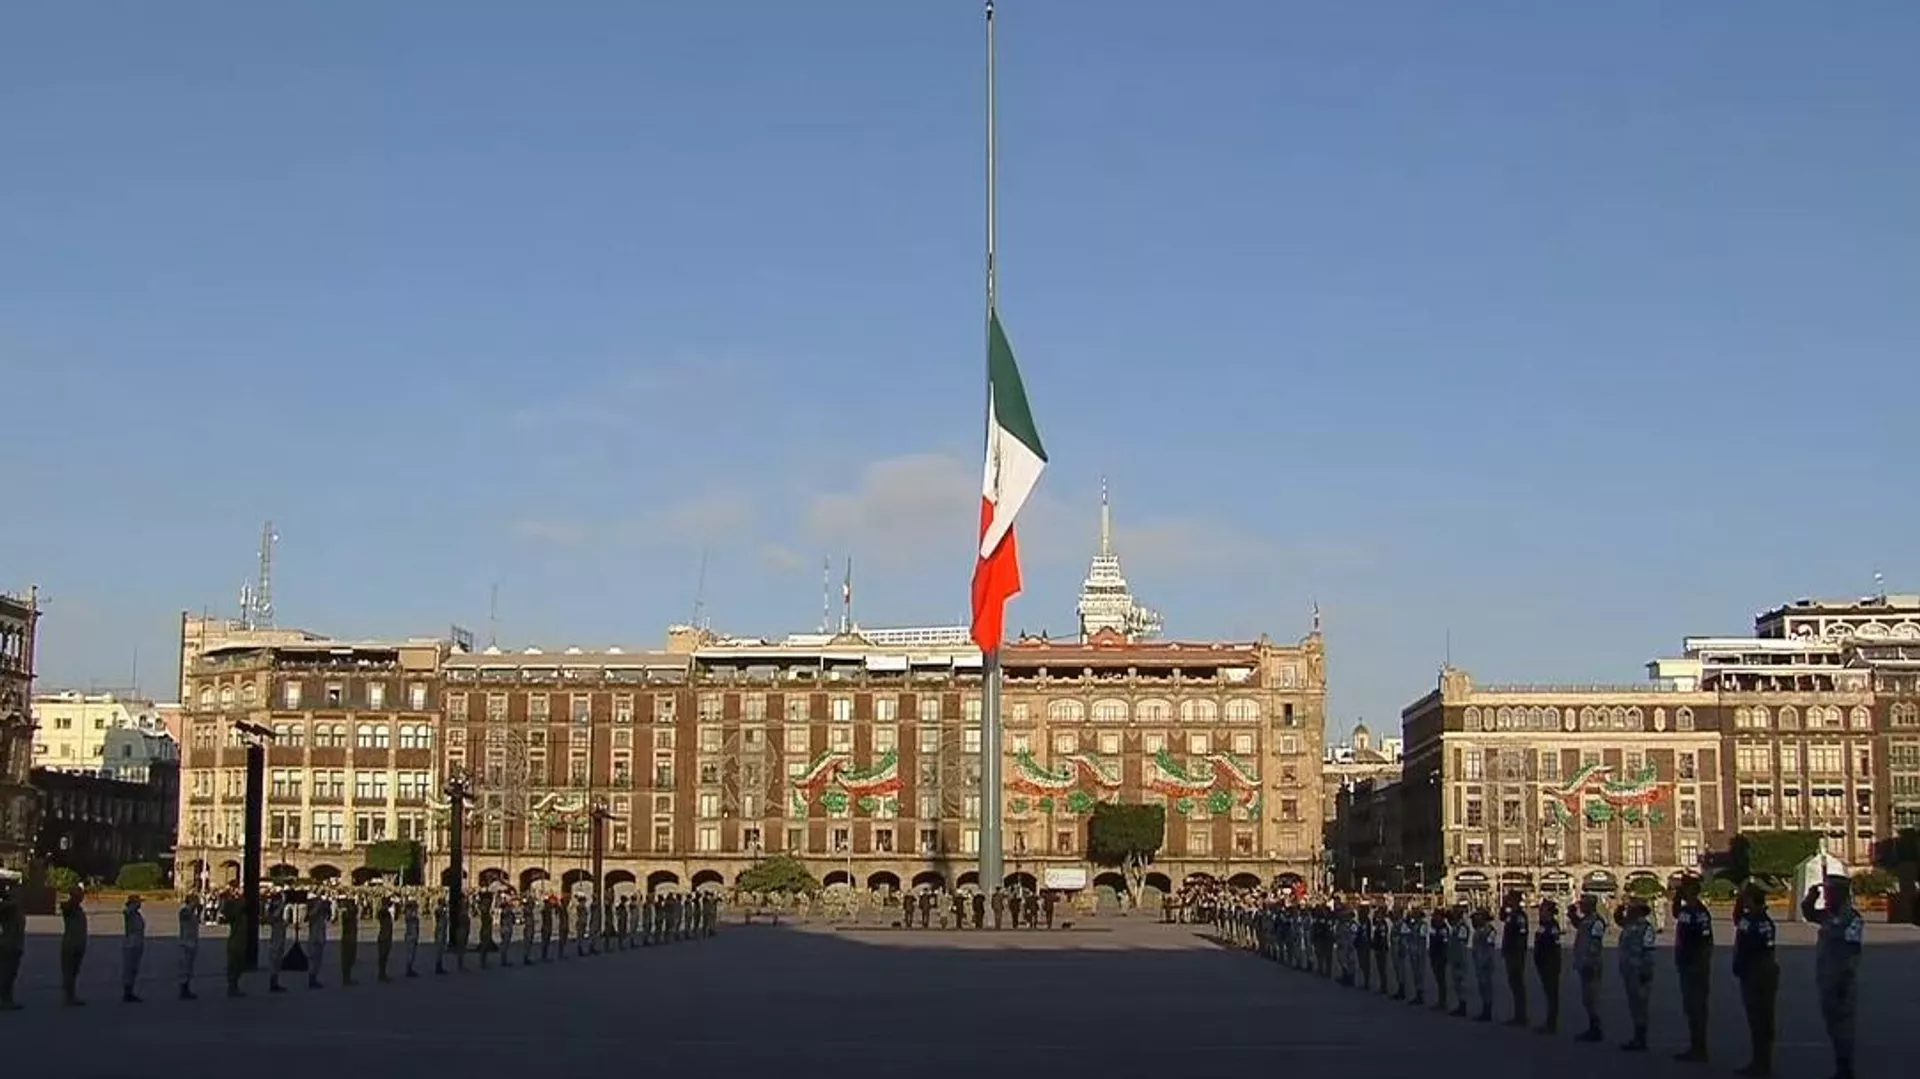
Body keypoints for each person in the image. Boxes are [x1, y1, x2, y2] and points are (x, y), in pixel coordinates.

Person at [1802, 874, 1863, 1079]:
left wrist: (1843, 980)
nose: (1827, 898)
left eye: (1830, 893)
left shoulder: (1852, 919)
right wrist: (1811, 897)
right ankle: (1841, 1063)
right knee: (1832, 1024)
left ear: (1840, 894)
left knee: (1843, 1025)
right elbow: (1809, 914)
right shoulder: (1827, 915)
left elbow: (1852, 951)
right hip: (1827, 978)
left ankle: (1846, 1067)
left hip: (1842, 981)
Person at [1733, 882, 1779, 1077]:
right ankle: (1759, 1061)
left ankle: (1762, 1064)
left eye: (1746, 899)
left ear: (1751, 900)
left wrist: (1742, 964)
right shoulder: (1752, 918)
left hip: (1759, 973)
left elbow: (1754, 947)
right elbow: (1737, 919)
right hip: (1754, 971)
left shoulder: (1759, 921)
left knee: (1761, 1020)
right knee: (1757, 1020)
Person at [1671, 875, 1714, 1062]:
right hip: (1688, 963)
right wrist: (1676, 897)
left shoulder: (1698, 911)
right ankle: (1696, 1045)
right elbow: (1676, 913)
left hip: (1695, 965)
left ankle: (1699, 1047)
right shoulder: (1688, 909)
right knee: (1691, 1007)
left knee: (1696, 1007)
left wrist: (1698, 963)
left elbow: (1704, 941)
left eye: (1684, 888)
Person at [1614, 896, 1657, 1051]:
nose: (1628, 911)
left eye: (1631, 909)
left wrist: (1646, 970)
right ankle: (1637, 1035)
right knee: (1634, 1004)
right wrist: (1619, 908)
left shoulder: (1646, 928)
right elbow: (1618, 920)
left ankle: (1641, 1037)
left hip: (1640, 971)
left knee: (1640, 1005)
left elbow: (1649, 951)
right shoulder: (1629, 924)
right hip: (1630, 969)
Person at [1572, 894, 1606, 1042]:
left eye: (1583, 904)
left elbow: (1595, 943)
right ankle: (1592, 1024)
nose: (1581, 906)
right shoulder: (1586, 920)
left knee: (1592, 996)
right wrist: (1572, 915)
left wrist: (1589, 962)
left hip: (1592, 963)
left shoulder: (1597, 921)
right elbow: (1578, 925)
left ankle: (1595, 1027)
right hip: (1584, 962)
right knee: (1587, 997)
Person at [1533, 897, 1564, 1034]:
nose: (1540, 912)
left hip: (1550, 963)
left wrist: (1553, 963)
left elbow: (1555, 946)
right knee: (1548, 993)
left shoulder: (1552, 926)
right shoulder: (1544, 925)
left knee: (1552, 994)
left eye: (1543, 910)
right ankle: (1549, 1021)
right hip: (1543, 962)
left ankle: (1551, 1023)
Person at [1499, 889, 1530, 1026]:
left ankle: (1521, 1015)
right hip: (1510, 951)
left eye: (1510, 899)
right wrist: (1503, 905)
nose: (1508, 901)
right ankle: (1518, 1014)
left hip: (1516, 953)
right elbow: (1501, 917)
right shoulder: (1512, 914)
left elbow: (1522, 935)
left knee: (1517, 983)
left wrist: (1518, 952)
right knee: (1513, 982)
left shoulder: (1520, 916)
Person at [59, 885, 87, 1007]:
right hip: (70, 943)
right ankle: (69, 996)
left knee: (74, 971)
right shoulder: (69, 907)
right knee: (69, 971)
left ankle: (72, 995)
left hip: (79, 943)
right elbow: (66, 906)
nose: (82, 897)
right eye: (79, 894)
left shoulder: (78, 909)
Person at [1469, 907, 1496, 1021]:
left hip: (1485, 961)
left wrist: (1486, 961)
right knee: (1482, 986)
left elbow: (1490, 947)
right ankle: (1485, 1008)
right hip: (1479, 960)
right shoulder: (1479, 930)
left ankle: (1487, 1010)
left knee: (1486, 986)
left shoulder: (1489, 930)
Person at [0, 876, 23, 1010]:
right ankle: (4, 999)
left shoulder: (11, 905)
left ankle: (7, 998)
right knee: (6, 974)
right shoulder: (8, 906)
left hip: (15, 943)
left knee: (11, 973)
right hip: (9, 944)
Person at [121, 894, 147, 1003]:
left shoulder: (137, 914)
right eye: (138, 902)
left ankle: (130, 989)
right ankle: (127, 991)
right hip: (131, 943)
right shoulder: (129, 913)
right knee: (129, 968)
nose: (140, 904)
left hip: (138, 942)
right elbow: (126, 911)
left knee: (134, 968)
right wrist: (132, 905)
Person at [176, 891, 201, 1000]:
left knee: (189, 967)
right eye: (196, 900)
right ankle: (183, 989)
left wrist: (198, 912)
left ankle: (187, 987)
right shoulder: (184, 911)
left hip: (192, 942)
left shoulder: (193, 913)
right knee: (185, 967)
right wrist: (193, 907)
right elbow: (185, 916)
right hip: (185, 943)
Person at [306, 891, 333, 989]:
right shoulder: (311, 911)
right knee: (313, 959)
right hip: (314, 937)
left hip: (320, 936)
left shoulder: (320, 911)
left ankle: (314, 977)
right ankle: (311, 978)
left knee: (318, 959)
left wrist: (326, 907)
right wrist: (318, 906)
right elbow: (310, 916)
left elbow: (328, 916)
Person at [265, 891, 289, 993]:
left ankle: (275, 981)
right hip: (276, 936)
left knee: (278, 959)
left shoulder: (277, 909)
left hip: (280, 934)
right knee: (275, 958)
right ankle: (273, 982)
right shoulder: (274, 909)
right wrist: (282, 903)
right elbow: (274, 916)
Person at [375, 896, 395, 982]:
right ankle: (381, 974)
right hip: (384, 937)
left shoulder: (385, 912)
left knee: (384, 957)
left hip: (386, 936)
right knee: (382, 957)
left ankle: (383, 973)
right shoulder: (383, 912)